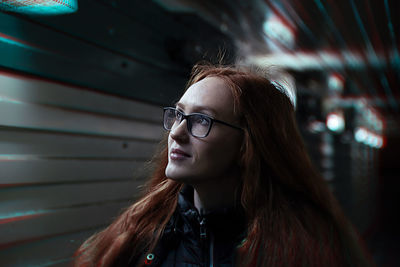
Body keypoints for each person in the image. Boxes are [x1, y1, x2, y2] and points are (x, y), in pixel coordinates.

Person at [74, 63, 373, 267]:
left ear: (249, 145)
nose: (176, 132)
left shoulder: (307, 249)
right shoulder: (139, 234)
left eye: (201, 120)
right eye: (178, 115)